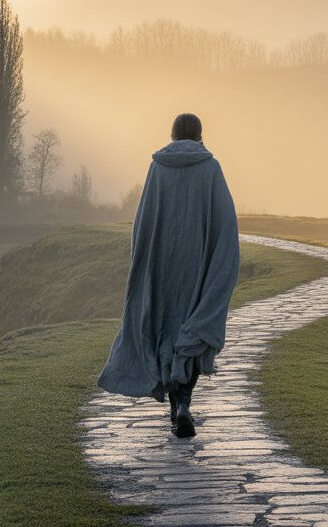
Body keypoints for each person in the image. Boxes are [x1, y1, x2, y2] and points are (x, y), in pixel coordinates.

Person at [96, 112, 240, 438]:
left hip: (163, 265)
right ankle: (184, 403)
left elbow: (143, 221)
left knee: (163, 330)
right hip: (198, 265)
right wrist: (219, 263)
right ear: (200, 134)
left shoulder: (158, 168)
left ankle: (176, 407)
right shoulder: (211, 168)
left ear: (173, 134)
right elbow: (226, 223)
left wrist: (142, 261)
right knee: (193, 330)